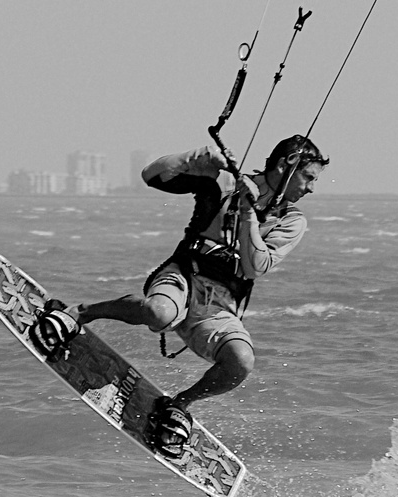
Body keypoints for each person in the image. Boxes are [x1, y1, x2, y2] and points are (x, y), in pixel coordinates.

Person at [29, 134, 328, 456]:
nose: (311, 187)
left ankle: (180, 405)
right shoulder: (227, 182)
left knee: (241, 362)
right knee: (158, 314)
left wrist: (249, 211)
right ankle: (80, 313)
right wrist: (198, 157)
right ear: (286, 165)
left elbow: (256, 266)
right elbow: (152, 175)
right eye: (308, 177)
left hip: (220, 307)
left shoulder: (292, 219)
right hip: (184, 275)